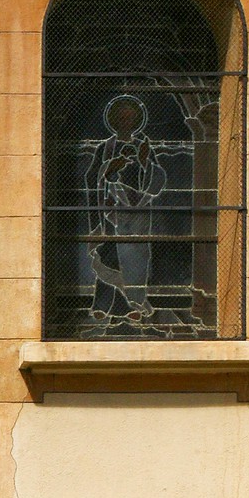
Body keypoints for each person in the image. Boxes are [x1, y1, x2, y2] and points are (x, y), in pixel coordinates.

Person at [85, 94, 167, 327]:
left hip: (137, 215)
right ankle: (102, 306)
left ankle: (133, 306)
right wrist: (110, 166)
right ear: (113, 120)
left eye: (130, 118)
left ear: (136, 121)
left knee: (133, 259)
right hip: (111, 211)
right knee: (108, 254)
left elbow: (156, 176)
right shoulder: (105, 147)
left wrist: (143, 163)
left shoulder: (143, 146)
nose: (125, 122)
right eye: (121, 118)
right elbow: (92, 176)